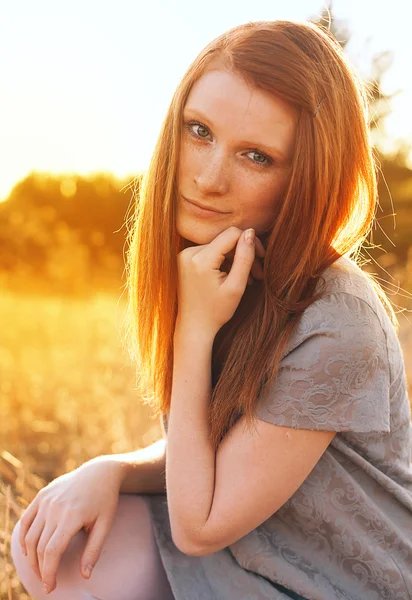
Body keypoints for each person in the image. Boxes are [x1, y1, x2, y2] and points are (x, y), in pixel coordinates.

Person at [11, 18, 412, 600]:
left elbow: (197, 527)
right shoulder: (232, 268)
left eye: (255, 155)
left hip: (349, 584)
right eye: (199, 131)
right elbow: (225, 451)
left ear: (307, 176)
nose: (208, 176)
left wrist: (194, 330)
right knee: (56, 544)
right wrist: (113, 470)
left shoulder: (339, 322)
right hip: (257, 552)